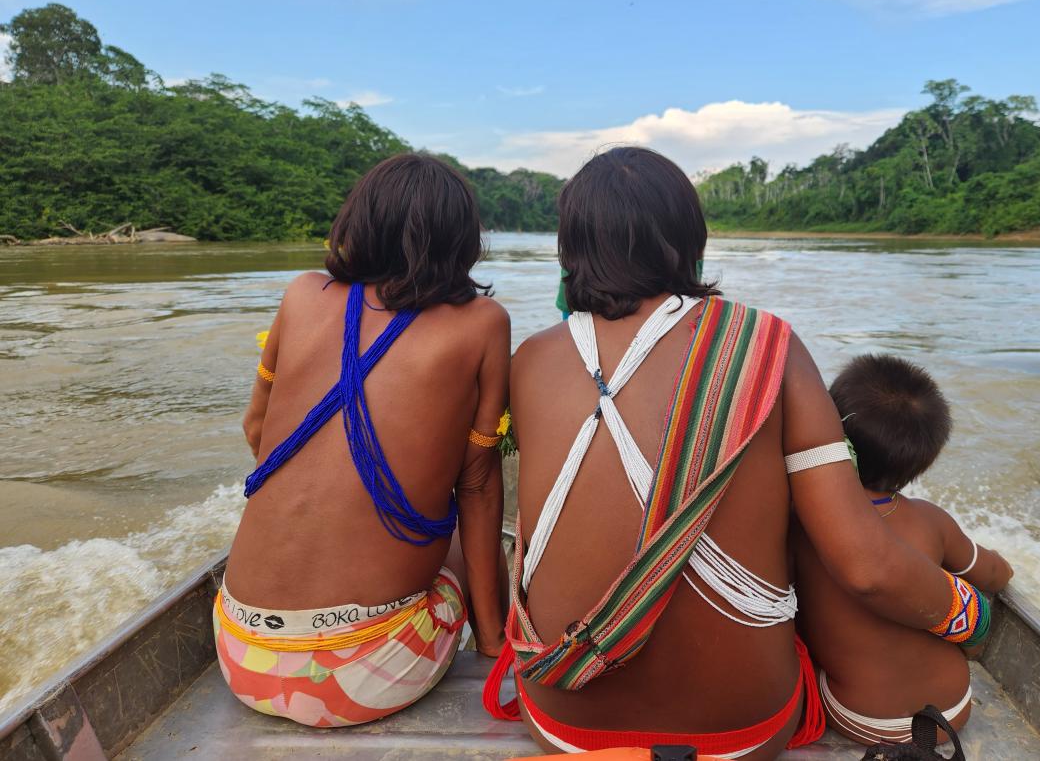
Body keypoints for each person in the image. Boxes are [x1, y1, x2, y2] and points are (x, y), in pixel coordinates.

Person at [484, 147, 991, 761]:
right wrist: (974, 613)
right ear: (689, 240)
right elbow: (866, 567)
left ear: (571, 251)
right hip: (740, 737)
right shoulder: (770, 344)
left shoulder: (532, 358)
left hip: (566, 727)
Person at [216, 153, 510, 728]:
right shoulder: (482, 322)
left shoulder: (301, 294)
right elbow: (476, 486)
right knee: (455, 531)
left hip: (240, 653)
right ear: (461, 240)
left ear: (358, 221)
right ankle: (493, 642)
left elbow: (258, 430)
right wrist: (493, 639)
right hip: (367, 672)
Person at [795, 354, 1013, 745]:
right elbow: (995, 575)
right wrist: (1003, 566)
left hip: (863, 718)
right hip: (952, 710)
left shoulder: (802, 520)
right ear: (921, 463)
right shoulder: (932, 520)